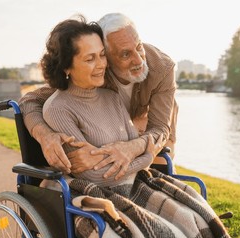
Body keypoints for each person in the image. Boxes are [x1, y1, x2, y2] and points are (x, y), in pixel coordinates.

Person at [38, 16, 240, 238]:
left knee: (194, 216)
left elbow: (151, 141)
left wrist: (132, 154)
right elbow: (95, 175)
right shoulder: (58, 108)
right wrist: (138, 157)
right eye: (90, 58)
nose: (100, 64)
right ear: (67, 67)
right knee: (164, 234)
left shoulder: (113, 95)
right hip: (100, 189)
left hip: (135, 177)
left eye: (101, 55)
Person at [19, 13, 178, 180]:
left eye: (139, 47)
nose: (138, 60)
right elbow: (30, 101)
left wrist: (133, 148)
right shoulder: (94, 71)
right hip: (110, 132)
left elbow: (160, 128)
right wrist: (45, 136)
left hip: (146, 126)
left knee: (162, 171)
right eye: (125, 54)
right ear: (106, 54)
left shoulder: (163, 68)